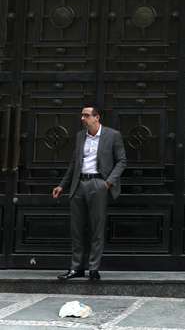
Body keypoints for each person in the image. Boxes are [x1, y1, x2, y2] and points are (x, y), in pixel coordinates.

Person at [52, 104, 127, 281]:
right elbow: (73, 164)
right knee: (76, 229)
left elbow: (122, 161)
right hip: (79, 184)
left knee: (96, 228)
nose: (82, 118)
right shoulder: (80, 137)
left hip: (98, 183)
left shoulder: (112, 135)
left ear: (96, 117)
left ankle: (93, 269)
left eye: (86, 115)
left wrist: (108, 182)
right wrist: (62, 185)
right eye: (82, 115)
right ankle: (76, 268)